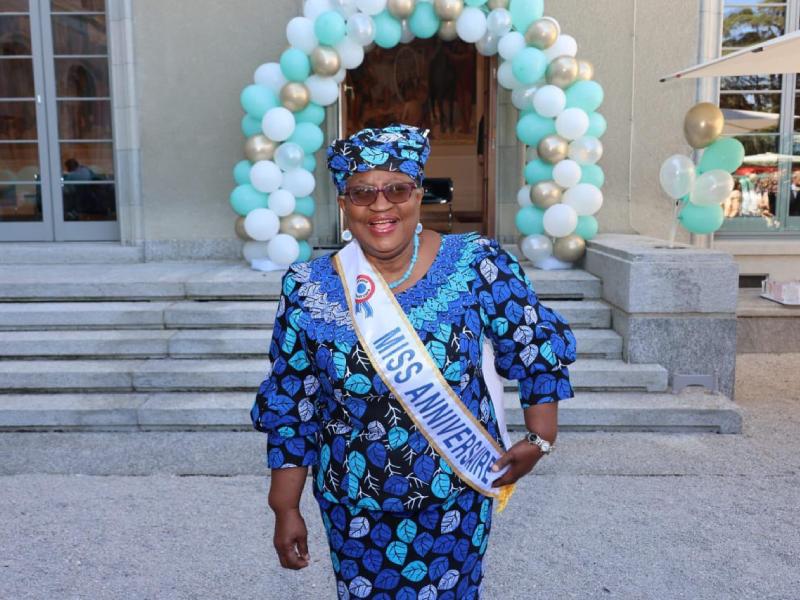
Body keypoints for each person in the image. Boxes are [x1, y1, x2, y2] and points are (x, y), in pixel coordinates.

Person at [251, 124, 576, 599]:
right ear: (343, 204)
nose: (380, 206)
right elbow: (293, 399)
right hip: (353, 504)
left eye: (397, 189)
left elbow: (531, 345)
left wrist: (541, 436)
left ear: (418, 194)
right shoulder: (308, 287)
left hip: (455, 496)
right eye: (362, 193)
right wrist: (285, 504)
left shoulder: (476, 264)